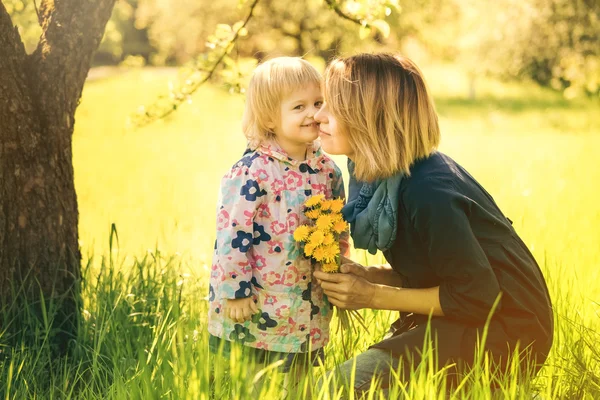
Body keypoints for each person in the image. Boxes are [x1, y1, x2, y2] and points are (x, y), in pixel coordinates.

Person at [312, 53, 554, 395]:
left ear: (372, 117)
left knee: (328, 391)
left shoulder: (428, 191)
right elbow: (439, 269)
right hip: (464, 317)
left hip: (505, 332)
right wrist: (372, 275)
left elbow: (476, 296)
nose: (318, 116)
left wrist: (371, 295)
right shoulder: (383, 176)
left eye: (332, 108)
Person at [207, 57, 347, 385]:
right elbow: (232, 232)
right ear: (271, 117)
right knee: (255, 378)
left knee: (301, 373)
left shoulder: (327, 170)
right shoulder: (252, 172)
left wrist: (338, 269)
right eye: (298, 106)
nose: (312, 113)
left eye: (317, 102)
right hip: (257, 299)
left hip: (306, 298)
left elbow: (337, 223)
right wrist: (235, 290)